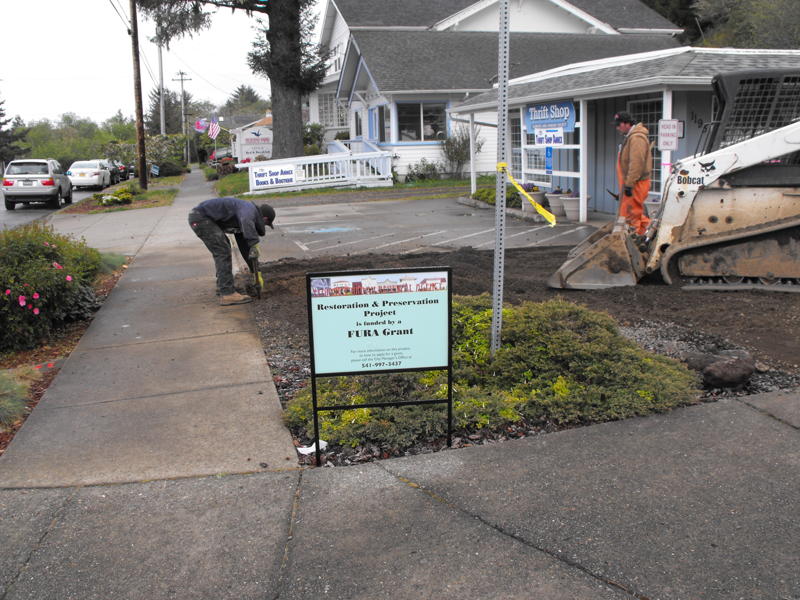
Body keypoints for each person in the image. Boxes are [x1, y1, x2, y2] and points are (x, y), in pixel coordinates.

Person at [188, 197, 275, 305]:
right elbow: (247, 223)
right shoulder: (248, 210)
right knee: (222, 251)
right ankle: (227, 294)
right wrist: (253, 242)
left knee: (224, 248)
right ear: (265, 218)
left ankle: (224, 287)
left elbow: (245, 248)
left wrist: (255, 271)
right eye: (266, 224)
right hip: (201, 218)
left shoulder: (242, 216)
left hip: (202, 218)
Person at [613, 111, 652, 236]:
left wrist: (629, 184)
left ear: (626, 124)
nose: (617, 128)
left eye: (618, 125)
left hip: (636, 183)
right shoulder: (632, 137)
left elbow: (636, 163)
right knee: (636, 213)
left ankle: (632, 241)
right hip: (634, 182)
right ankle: (649, 233)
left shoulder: (637, 138)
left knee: (631, 215)